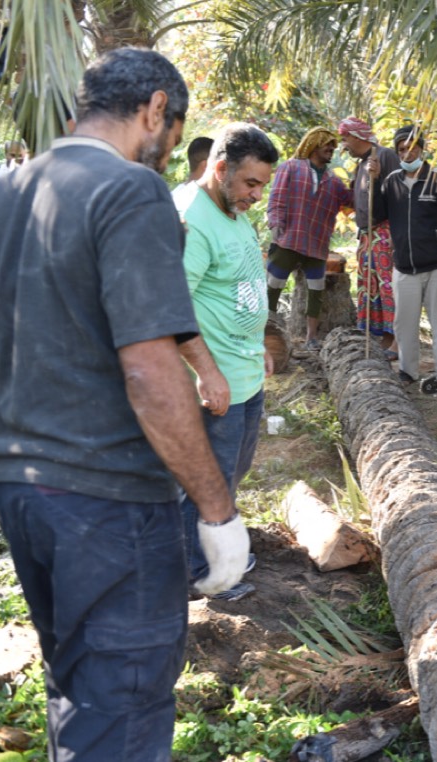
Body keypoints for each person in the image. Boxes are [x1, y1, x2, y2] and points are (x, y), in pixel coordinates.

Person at [0, 47, 250, 760]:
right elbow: (149, 367)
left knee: (78, 684)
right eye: (172, 137)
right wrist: (216, 510)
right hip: (111, 505)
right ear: (155, 109)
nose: (167, 154)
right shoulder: (131, 191)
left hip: (23, 490)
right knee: (122, 703)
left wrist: (22, 459)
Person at [172, 123, 279, 602]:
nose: (257, 195)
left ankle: (209, 550)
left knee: (231, 471)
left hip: (243, 372)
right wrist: (208, 372)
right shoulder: (190, 219)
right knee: (205, 480)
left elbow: (236, 284)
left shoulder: (232, 209)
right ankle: (197, 573)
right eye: (251, 183)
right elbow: (170, 307)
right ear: (219, 169)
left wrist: (257, 345)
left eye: (262, 185)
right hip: (214, 383)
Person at [370, 125, 437, 384]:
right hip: (404, 267)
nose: (407, 154)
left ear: (421, 149)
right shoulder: (391, 181)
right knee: (404, 325)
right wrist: (374, 180)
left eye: (412, 148)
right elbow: (378, 214)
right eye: (401, 150)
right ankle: (408, 372)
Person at [266, 126, 353, 351]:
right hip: (288, 239)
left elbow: (351, 200)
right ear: (314, 145)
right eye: (327, 146)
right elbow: (276, 198)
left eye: (333, 147)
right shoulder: (291, 167)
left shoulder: (334, 182)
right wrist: (276, 224)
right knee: (273, 285)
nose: (331, 150)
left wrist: (365, 181)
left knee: (316, 290)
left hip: (317, 244)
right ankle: (265, 332)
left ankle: (311, 338)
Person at [339, 116, 400, 359]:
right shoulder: (361, 164)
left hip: (385, 232)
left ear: (357, 137)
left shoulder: (384, 156)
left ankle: (398, 342)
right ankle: (384, 339)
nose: (344, 145)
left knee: (388, 287)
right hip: (367, 235)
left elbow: (398, 194)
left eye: (345, 139)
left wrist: (397, 233)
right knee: (371, 289)